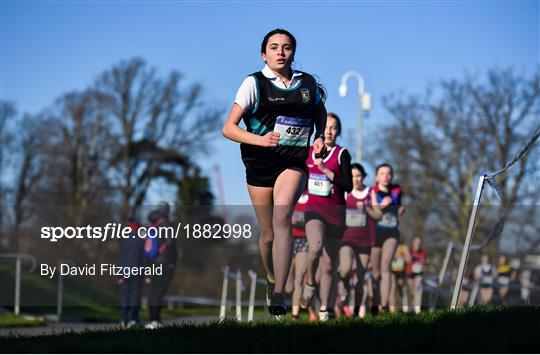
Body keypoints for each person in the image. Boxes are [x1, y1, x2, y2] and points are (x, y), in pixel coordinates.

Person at [222, 28, 327, 316]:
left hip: (292, 162)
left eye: (287, 47)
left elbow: (319, 110)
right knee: (267, 234)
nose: (281, 52)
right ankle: (271, 278)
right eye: (274, 47)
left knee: (283, 218)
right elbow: (228, 128)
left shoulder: (306, 83)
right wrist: (260, 139)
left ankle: (279, 293)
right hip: (259, 163)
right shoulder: (253, 83)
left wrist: (319, 136)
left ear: (294, 52)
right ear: (264, 54)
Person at [300, 112, 353, 321]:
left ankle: (324, 308)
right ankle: (311, 282)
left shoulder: (342, 154)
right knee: (315, 245)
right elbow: (300, 179)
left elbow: (348, 185)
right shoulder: (308, 152)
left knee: (330, 265)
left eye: (334, 128)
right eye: (327, 127)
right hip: (314, 210)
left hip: (337, 215)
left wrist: (326, 171)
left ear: (338, 132)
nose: (329, 132)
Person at [338, 163, 381, 318]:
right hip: (346, 239)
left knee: (361, 278)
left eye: (358, 176)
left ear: (363, 176)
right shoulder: (345, 192)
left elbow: (379, 215)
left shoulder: (370, 193)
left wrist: (367, 208)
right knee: (346, 269)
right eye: (352, 176)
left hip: (365, 241)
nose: (355, 179)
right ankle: (344, 286)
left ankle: (356, 312)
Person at [370, 163, 405, 313]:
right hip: (375, 232)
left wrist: (401, 209)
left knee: (386, 267)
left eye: (388, 173)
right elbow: (369, 212)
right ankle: (375, 301)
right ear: (376, 176)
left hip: (391, 232)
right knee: (376, 271)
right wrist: (380, 206)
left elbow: (399, 206)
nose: (386, 176)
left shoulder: (397, 190)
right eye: (382, 173)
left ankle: (384, 306)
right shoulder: (372, 192)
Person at [146, 202, 178, 329]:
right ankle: (156, 320)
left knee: (153, 291)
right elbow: (170, 244)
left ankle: (151, 319)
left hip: (153, 263)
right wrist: (173, 261)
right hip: (165, 262)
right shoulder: (167, 225)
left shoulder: (151, 226)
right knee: (160, 292)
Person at [117, 220, 146, 329]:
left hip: (125, 272)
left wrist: (119, 275)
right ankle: (134, 320)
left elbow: (120, 258)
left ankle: (123, 320)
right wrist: (147, 274)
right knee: (135, 296)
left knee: (125, 296)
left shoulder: (124, 241)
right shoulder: (141, 241)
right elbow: (144, 259)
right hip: (137, 272)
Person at [290, 191, 310, 320]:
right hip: (288, 239)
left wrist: (301, 222)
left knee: (300, 277)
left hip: (304, 240)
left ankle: (295, 314)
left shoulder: (311, 198)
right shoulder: (289, 196)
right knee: (288, 286)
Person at [405, 236, 427, 313]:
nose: (417, 244)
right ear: (413, 242)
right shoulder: (409, 250)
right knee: (412, 291)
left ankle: (416, 309)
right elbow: (406, 261)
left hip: (418, 273)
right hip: (409, 273)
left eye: (419, 242)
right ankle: (413, 305)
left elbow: (423, 262)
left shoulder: (423, 252)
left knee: (417, 288)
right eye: (416, 242)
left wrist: (421, 264)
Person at [389, 243, 408, 312]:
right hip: (392, 271)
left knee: (401, 291)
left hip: (401, 272)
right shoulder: (389, 245)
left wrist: (402, 257)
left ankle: (402, 308)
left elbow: (408, 259)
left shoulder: (404, 247)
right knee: (392, 290)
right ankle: (392, 310)